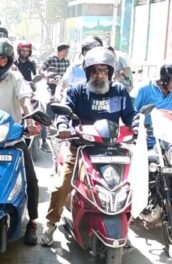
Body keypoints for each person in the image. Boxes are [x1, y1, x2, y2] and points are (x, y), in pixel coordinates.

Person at [40, 46, 138, 247]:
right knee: (62, 185)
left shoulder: (119, 91)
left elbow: (130, 115)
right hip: (81, 147)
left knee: (132, 185)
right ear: (88, 72)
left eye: (104, 70)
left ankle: (125, 224)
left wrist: (136, 124)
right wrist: (62, 126)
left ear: (110, 72)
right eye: (95, 70)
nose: (99, 75)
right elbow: (64, 114)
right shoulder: (77, 92)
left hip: (113, 150)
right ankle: (51, 224)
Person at [0, 38, 41, 245]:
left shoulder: (15, 78)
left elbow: (25, 98)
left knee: (31, 180)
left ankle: (32, 222)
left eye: (1, 59)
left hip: (12, 139)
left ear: (8, 61)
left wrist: (31, 120)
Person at [134, 56, 172, 148]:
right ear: (165, 76)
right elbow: (130, 116)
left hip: (168, 145)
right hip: (144, 144)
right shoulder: (143, 89)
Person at [54, 36, 103, 102]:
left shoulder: (104, 69)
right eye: (88, 50)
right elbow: (63, 83)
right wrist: (58, 93)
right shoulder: (76, 67)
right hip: (75, 105)